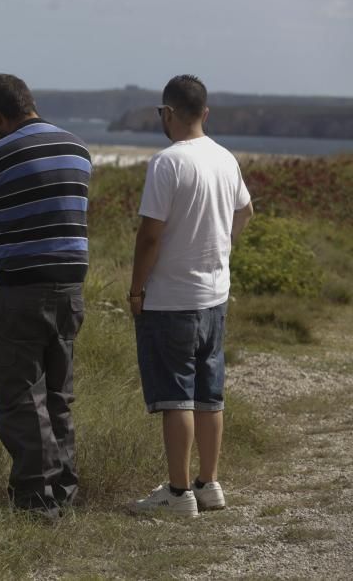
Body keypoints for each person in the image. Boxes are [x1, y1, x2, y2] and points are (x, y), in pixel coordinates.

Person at [0, 73, 92, 518]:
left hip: (19, 289)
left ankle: (36, 502)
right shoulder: (79, 150)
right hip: (71, 288)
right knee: (59, 395)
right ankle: (65, 492)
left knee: (21, 396)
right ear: (30, 103)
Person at [128, 74, 254, 517]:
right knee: (209, 393)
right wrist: (221, 247)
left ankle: (179, 493)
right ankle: (209, 482)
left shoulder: (167, 163)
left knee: (175, 395)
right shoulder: (225, 158)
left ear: (167, 113)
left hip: (172, 297)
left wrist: (136, 288)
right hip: (214, 295)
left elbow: (149, 236)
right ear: (205, 112)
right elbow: (245, 210)